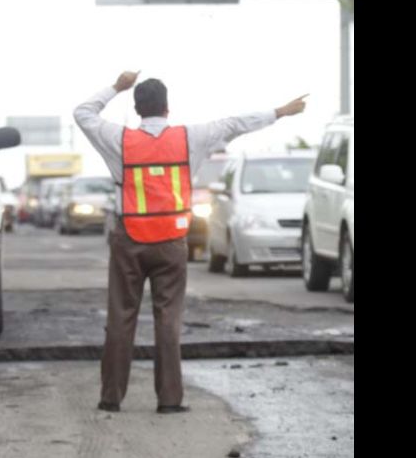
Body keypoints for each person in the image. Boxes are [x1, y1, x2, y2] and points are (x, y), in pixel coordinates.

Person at [73, 71, 306, 414]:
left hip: (129, 241)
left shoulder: (118, 139)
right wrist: (279, 112)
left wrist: (115, 88)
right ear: (167, 108)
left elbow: (83, 113)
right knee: (168, 319)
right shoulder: (189, 138)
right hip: (171, 242)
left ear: (137, 108)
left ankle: (111, 398)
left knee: (121, 317)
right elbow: (234, 124)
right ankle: (169, 400)